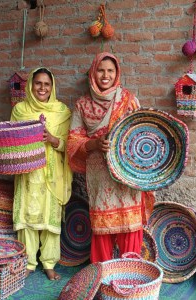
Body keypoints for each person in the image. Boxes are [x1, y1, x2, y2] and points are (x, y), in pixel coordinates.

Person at [67, 52, 155, 263]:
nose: (105, 75)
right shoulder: (82, 105)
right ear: (92, 72)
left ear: (117, 74)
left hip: (127, 172)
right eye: (100, 70)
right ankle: (102, 276)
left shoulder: (129, 100)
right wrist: (95, 144)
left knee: (130, 225)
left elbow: (141, 133)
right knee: (103, 226)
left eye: (110, 71)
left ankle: (131, 275)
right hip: (99, 174)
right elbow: (72, 141)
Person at [10, 67, 72, 280]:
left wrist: (53, 139)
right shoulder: (20, 109)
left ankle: (48, 263)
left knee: (49, 218)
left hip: (52, 172)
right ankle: (28, 263)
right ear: (30, 85)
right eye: (38, 83)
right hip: (28, 172)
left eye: (47, 84)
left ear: (52, 87)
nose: (42, 88)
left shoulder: (61, 111)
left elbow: (69, 144)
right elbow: (12, 139)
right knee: (27, 216)